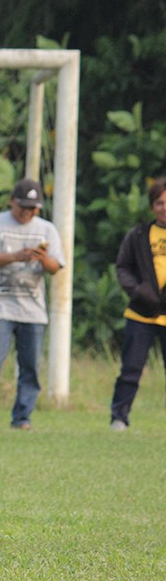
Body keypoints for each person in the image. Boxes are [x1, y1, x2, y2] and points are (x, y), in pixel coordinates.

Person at [0, 178, 64, 430]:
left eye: (33, 208)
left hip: (33, 311)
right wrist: (17, 256)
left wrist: (43, 259)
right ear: (12, 201)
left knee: (30, 367)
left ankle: (22, 418)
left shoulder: (47, 229)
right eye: (23, 206)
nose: (27, 212)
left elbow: (56, 268)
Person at [109, 177, 166, 431]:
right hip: (141, 314)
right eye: (160, 203)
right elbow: (122, 268)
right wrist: (139, 291)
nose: (164, 207)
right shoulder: (139, 235)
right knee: (131, 369)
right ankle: (119, 418)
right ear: (152, 206)